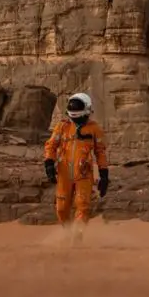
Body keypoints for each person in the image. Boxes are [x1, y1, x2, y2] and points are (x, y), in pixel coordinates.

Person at [42, 93, 109, 243]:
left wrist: (104, 174)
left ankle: (77, 235)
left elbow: (100, 152)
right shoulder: (62, 127)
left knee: (82, 205)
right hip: (64, 173)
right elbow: (51, 145)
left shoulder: (94, 129)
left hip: (84, 174)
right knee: (61, 208)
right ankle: (67, 231)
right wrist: (49, 164)